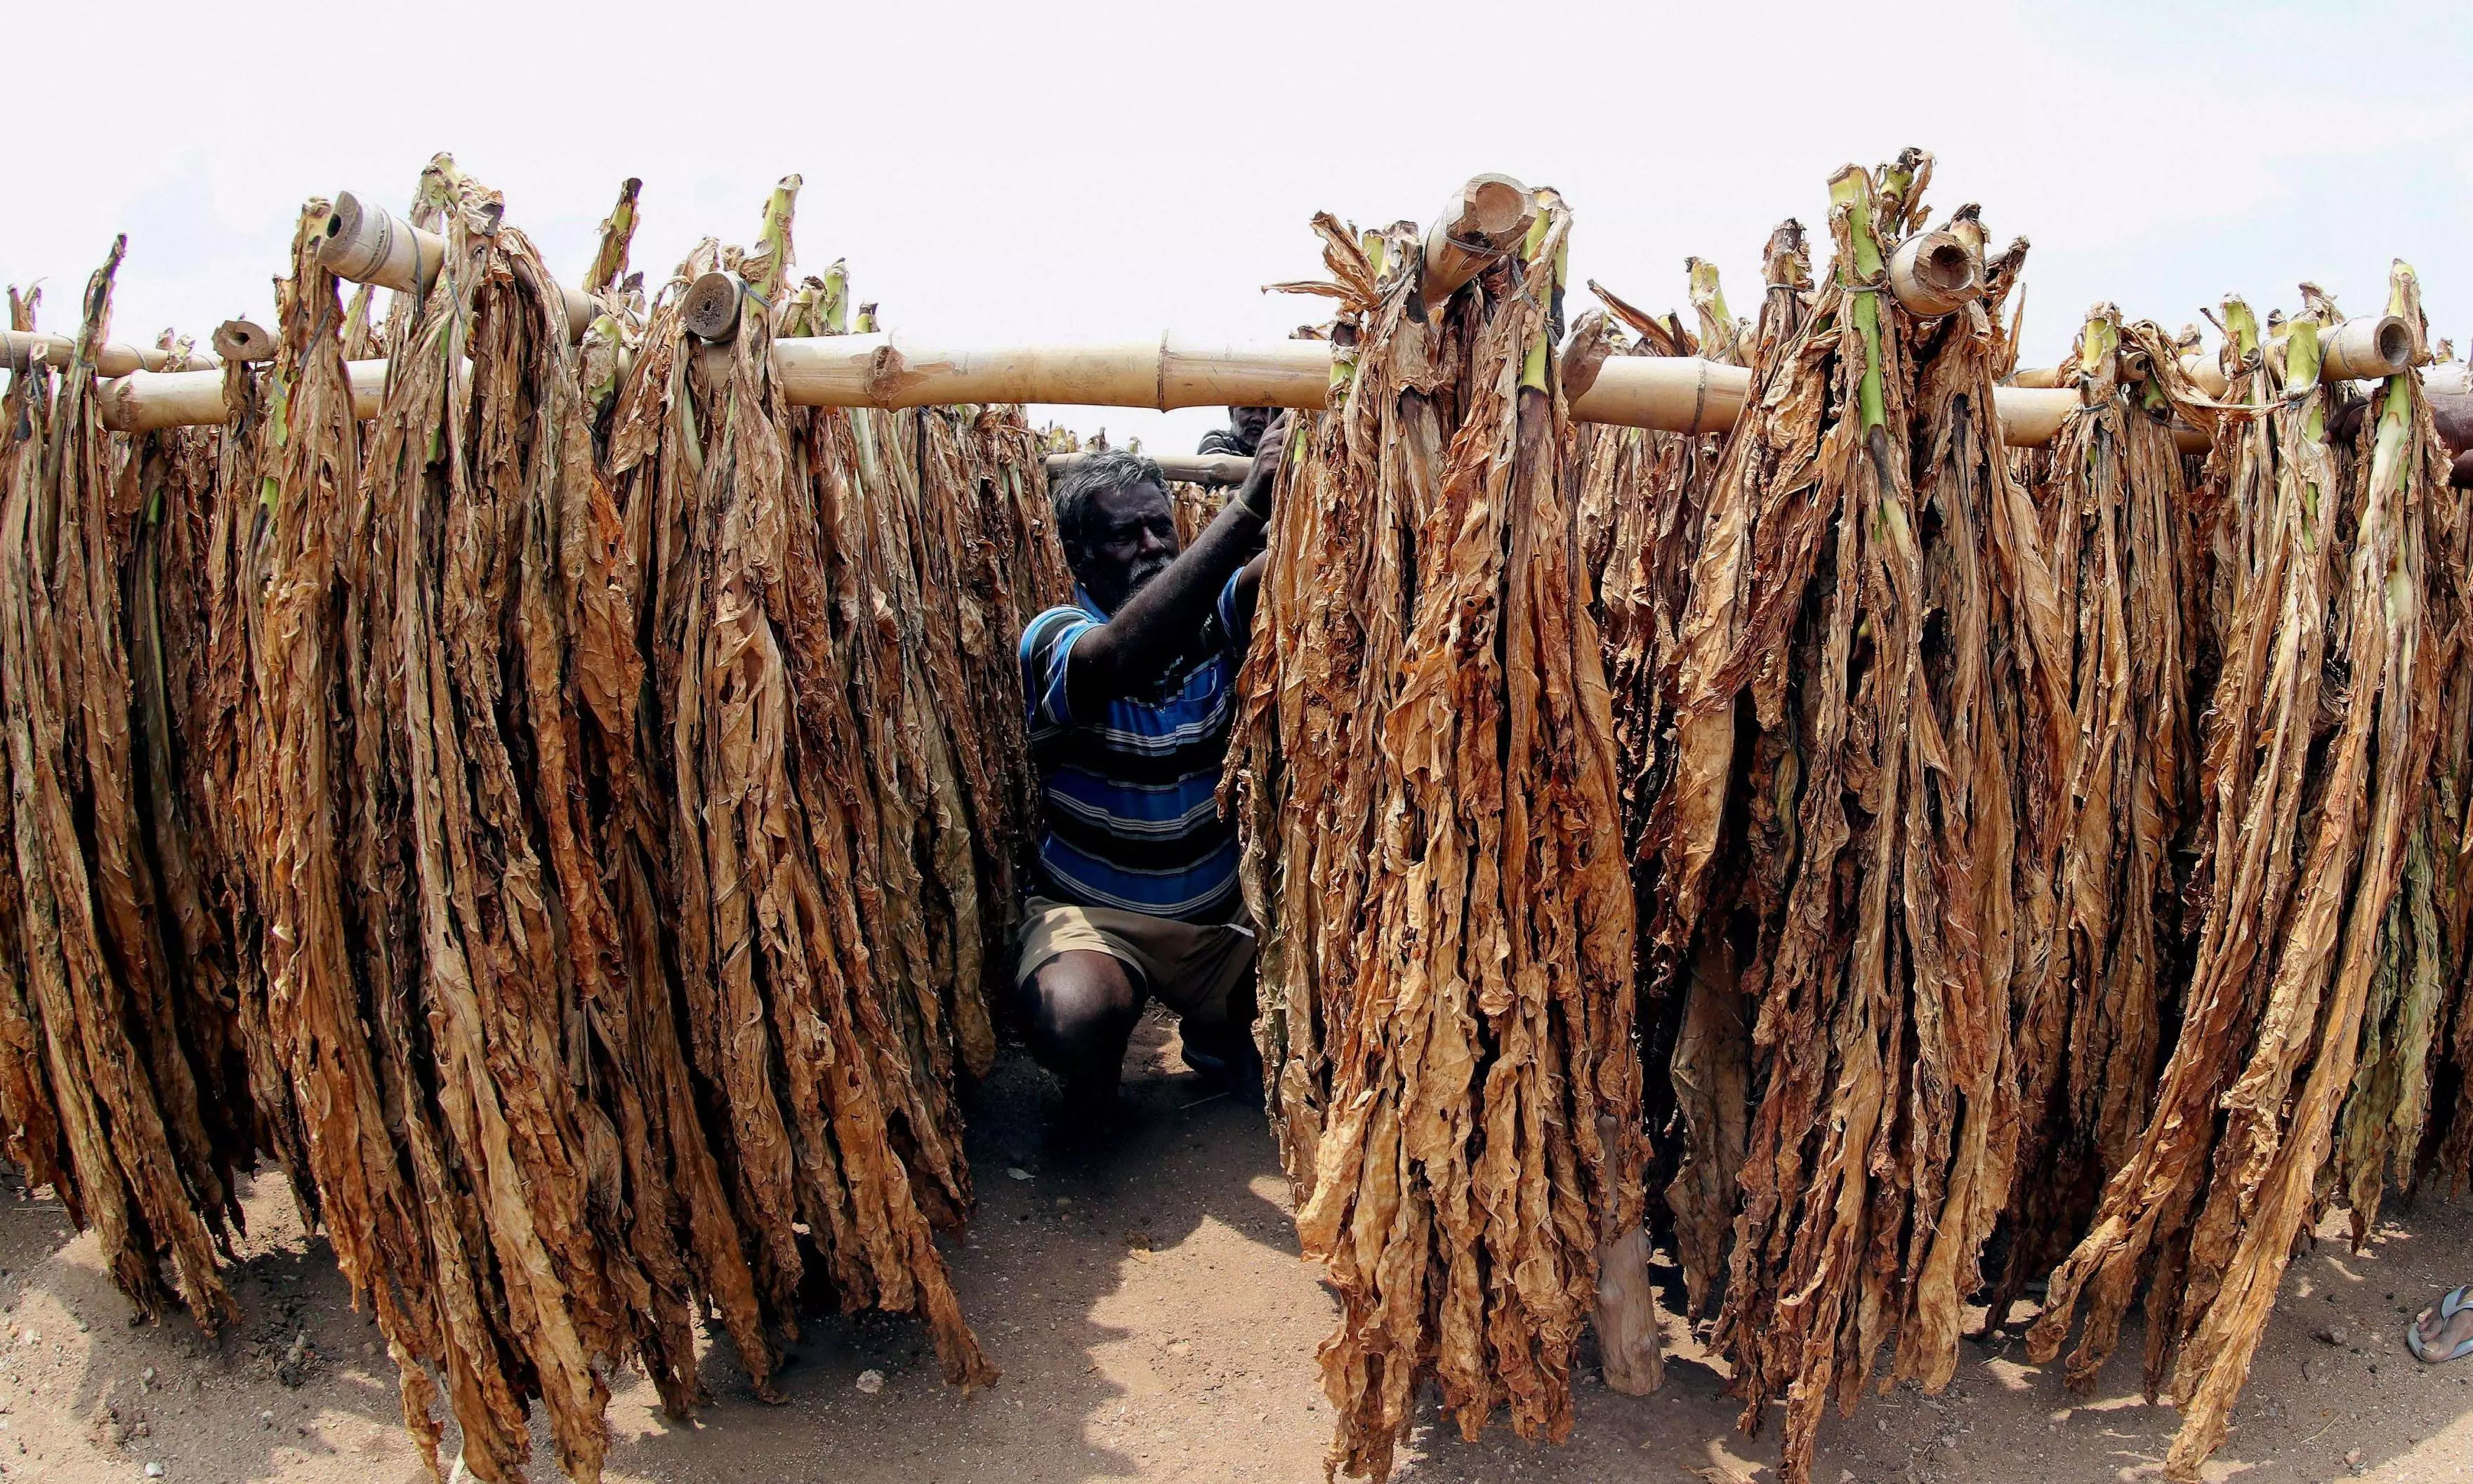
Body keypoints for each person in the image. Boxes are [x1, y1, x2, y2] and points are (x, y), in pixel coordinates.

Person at [1013, 414, 1290, 1119]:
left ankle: (1217, 1030)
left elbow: (1262, 580)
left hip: (1224, 928)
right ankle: (1098, 1076)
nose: (1152, 545)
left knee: (1312, 1007)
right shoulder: (1055, 636)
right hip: (1097, 919)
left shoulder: (1211, 618)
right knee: (1076, 1018)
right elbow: (1117, 658)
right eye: (1124, 534)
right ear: (1078, 555)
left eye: (1161, 528)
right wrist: (1246, 504)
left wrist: (1328, 479)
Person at [1197, 405, 1274, 458]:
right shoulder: (1215, 441)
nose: (1258, 418)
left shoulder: (1274, 449)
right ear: (1232, 413)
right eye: (1249, 409)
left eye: (1265, 411)